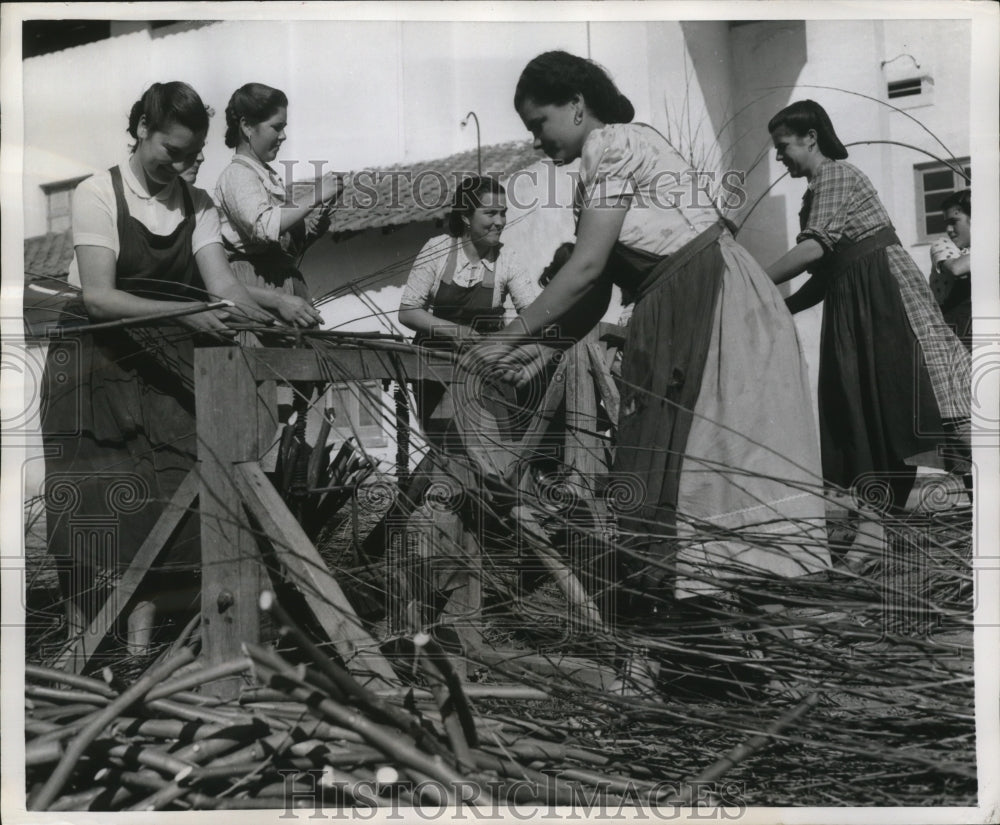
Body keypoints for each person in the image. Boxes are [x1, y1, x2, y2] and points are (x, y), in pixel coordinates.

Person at [475, 52, 830, 669]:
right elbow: (598, 291)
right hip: (683, 303)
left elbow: (584, 269)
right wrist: (538, 355)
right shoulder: (601, 164)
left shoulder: (616, 145)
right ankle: (723, 653)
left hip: (709, 303)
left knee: (718, 472)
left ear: (578, 106)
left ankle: (777, 653)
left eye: (541, 122)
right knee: (686, 475)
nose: (536, 140)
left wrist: (505, 336)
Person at [42, 82, 272, 653]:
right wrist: (192, 314)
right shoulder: (98, 192)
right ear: (142, 130)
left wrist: (273, 304)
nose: (182, 164)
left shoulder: (196, 204)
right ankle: (81, 642)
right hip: (95, 364)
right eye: (172, 151)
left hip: (162, 362)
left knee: (170, 493)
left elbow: (221, 288)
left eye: (193, 155)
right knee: (90, 503)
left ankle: (140, 645)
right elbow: (100, 298)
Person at [765, 100, 971, 514]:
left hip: (887, 297)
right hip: (857, 305)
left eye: (784, 145)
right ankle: (870, 538)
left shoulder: (837, 175)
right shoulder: (813, 197)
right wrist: (775, 305)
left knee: (935, 394)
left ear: (811, 138)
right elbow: (822, 274)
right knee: (872, 417)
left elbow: (813, 248)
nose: (779, 156)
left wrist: (751, 278)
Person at [398, 175, 539, 440]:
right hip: (434, 365)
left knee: (496, 440)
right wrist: (455, 332)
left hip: (487, 364)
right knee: (445, 441)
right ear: (466, 216)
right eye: (490, 213)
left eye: (503, 213)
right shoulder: (437, 250)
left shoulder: (508, 259)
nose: (500, 222)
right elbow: (407, 311)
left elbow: (532, 315)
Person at [215, 83, 339, 329]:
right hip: (255, 290)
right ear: (247, 126)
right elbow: (264, 226)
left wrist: (310, 233)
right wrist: (316, 194)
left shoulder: (266, 176)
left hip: (282, 285)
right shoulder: (237, 175)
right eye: (277, 127)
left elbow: (277, 249)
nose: (283, 136)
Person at [929, 189, 971, 352]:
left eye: (954, 221)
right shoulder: (942, 244)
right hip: (949, 326)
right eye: (946, 223)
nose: (948, 229)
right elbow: (956, 268)